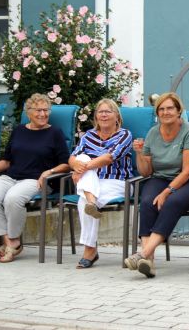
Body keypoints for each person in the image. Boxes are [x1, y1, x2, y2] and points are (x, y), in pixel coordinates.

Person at [125, 92, 189, 278]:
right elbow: (146, 172)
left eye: (170, 108)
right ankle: (148, 261)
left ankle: (143, 254)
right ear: (157, 113)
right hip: (161, 177)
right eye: (161, 109)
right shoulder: (153, 133)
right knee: (147, 202)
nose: (166, 112)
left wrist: (167, 192)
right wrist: (139, 154)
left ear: (179, 110)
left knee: (172, 202)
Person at [0, 93, 70, 263]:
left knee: (12, 198)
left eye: (46, 110)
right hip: (11, 177)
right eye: (38, 110)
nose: (43, 114)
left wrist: (49, 171)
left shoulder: (55, 133)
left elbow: (66, 164)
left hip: (37, 180)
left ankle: (13, 242)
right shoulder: (19, 130)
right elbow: (7, 161)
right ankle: (10, 241)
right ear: (28, 112)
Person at [69, 98, 133, 269]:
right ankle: (91, 203)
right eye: (100, 112)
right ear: (96, 116)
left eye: (108, 111)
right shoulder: (88, 135)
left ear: (117, 116)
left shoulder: (124, 135)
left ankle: (89, 250)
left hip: (118, 182)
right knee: (82, 158)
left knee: (84, 197)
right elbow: (72, 157)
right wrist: (76, 165)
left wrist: (81, 170)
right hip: (94, 181)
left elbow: (110, 157)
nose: (103, 115)